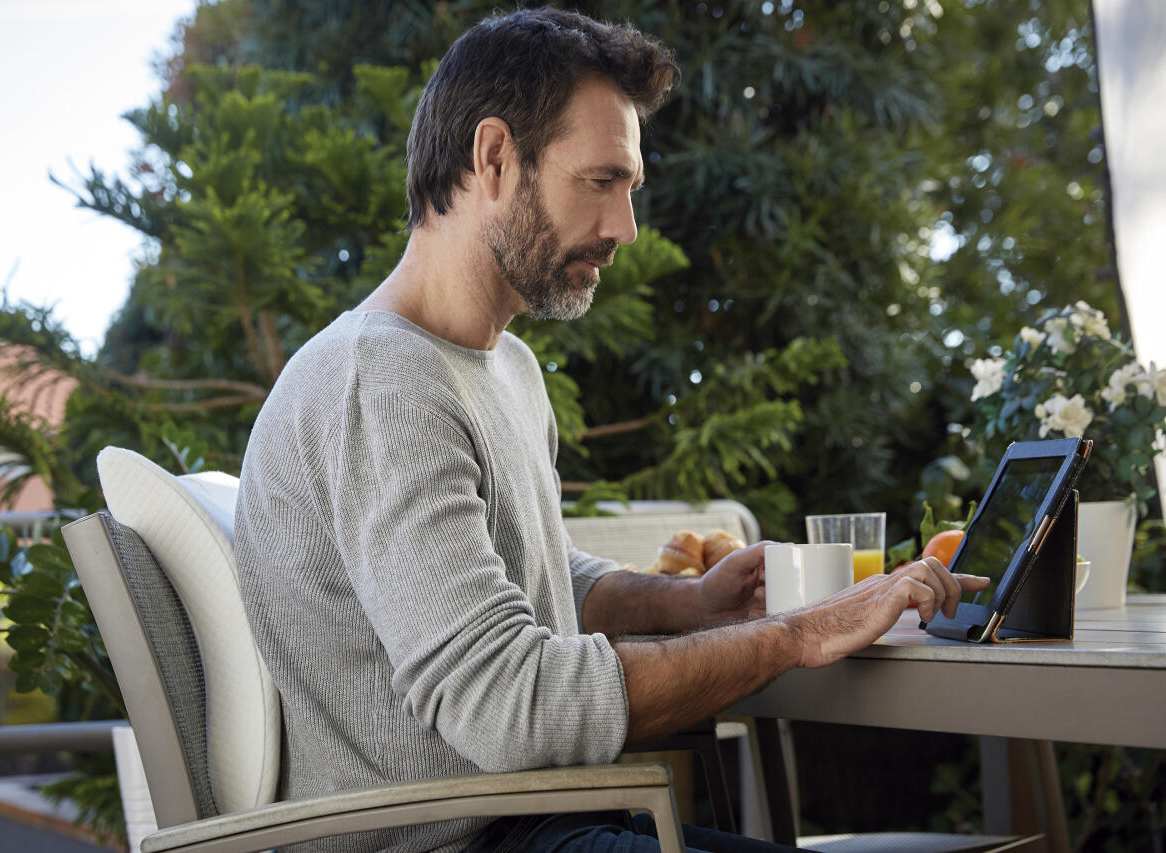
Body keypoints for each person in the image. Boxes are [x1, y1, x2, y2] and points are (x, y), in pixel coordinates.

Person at [234, 7, 988, 853]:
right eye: (600, 182)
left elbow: (525, 571)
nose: (625, 227)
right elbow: (510, 704)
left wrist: (687, 602)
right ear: (493, 157)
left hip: (554, 820)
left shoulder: (504, 368)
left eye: (628, 189)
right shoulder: (376, 382)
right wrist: (800, 633)